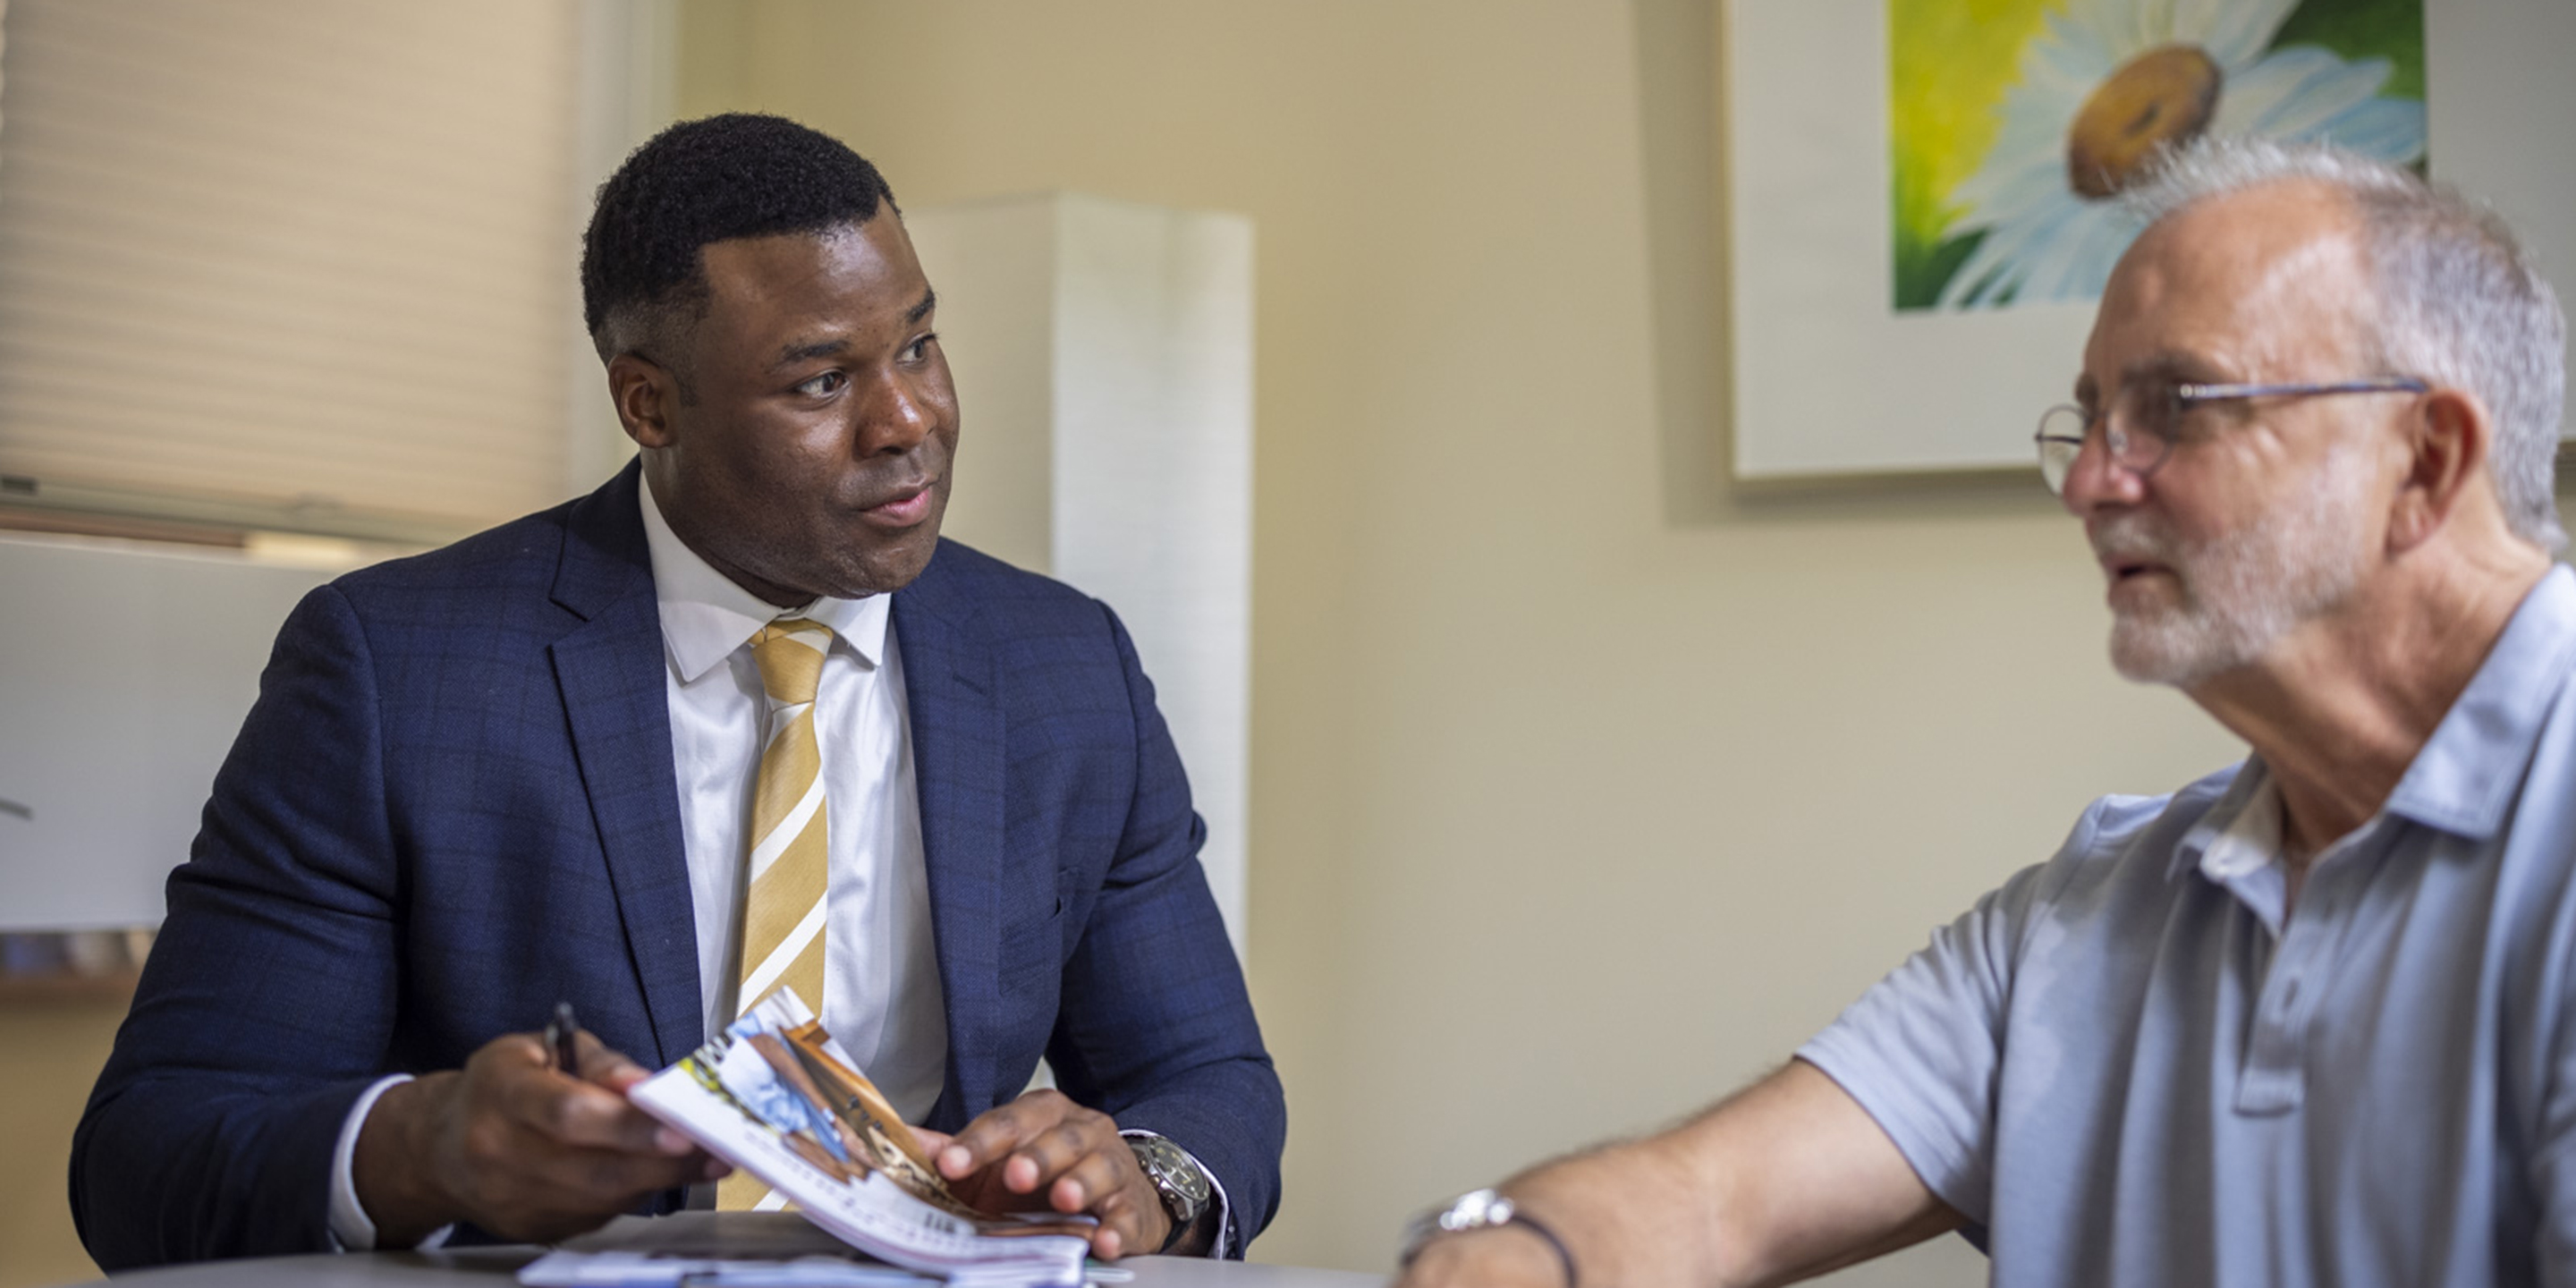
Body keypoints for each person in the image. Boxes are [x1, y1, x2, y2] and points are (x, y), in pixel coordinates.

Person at [72, 114, 1282, 1268]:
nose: (909, 418)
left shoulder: (1062, 666)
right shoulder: (398, 669)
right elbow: (151, 1157)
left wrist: (1143, 1177)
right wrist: (424, 1148)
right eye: (820, 383)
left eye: (917, 343)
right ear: (650, 403)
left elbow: (1211, 1082)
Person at [1397, 136, 2575, 1287]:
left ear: (2422, 464)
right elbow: (1712, 1201)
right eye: (2093, 417)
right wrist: (1519, 1249)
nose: (2089, 482)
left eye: (2175, 405)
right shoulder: (2097, 910)